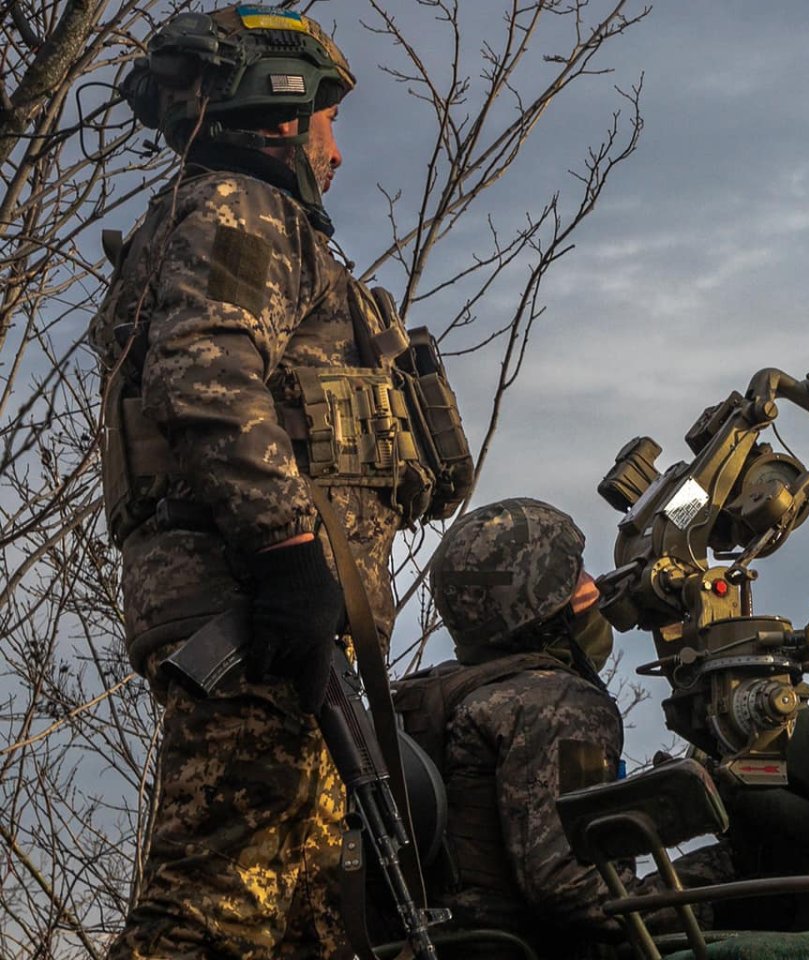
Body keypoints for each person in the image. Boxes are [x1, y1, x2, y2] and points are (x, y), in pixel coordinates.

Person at [91, 6, 470, 957]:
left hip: (288, 630)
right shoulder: (235, 209)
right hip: (253, 622)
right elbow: (204, 372)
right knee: (211, 919)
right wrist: (290, 551)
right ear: (279, 109)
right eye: (328, 123)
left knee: (307, 928)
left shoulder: (257, 225)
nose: (337, 151)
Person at [395, 498, 636, 958]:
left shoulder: (434, 694)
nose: (594, 588)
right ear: (542, 606)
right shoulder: (557, 702)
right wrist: (712, 873)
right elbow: (575, 889)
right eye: (576, 579)